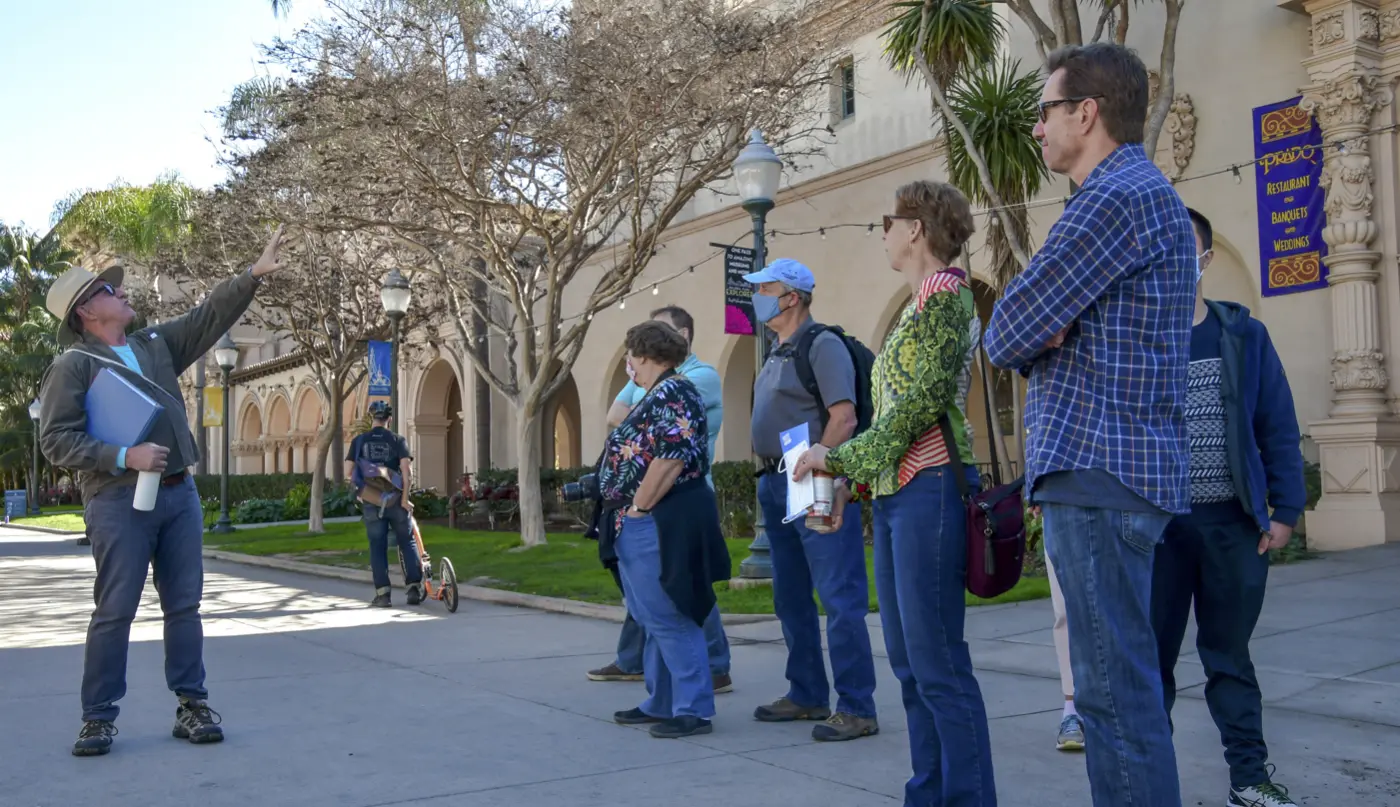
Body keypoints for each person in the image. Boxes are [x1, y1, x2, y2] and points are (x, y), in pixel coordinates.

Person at [984, 42, 1195, 807]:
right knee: (1120, 693)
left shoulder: (1111, 199)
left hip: (1101, 472)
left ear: (1086, 112)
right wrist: (1048, 324)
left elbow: (1004, 331)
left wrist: (1044, 327)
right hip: (1116, 474)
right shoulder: (1140, 196)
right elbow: (1026, 325)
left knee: (1111, 698)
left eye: (1045, 111)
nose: (1036, 128)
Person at [39, 227, 287, 757]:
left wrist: (250, 277)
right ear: (86, 313)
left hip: (178, 496)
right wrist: (123, 456)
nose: (121, 292)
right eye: (108, 290)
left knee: (184, 606)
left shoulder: (154, 345)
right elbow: (55, 440)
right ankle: (98, 718)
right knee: (115, 610)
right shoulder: (74, 366)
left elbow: (205, 319)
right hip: (117, 502)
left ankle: (192, 706)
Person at [794, 180, 996, 805]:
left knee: (937, 663)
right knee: (910, 664)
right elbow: (894, 421)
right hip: (900, 493)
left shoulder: (945, 300)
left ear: (915, 230)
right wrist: (851, 484)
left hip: (930, 489)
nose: (882, 231)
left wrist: (838, 456)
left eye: (889, 221)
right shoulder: (917, 304)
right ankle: (928, 792)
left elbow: (917, 410)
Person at [1151, 209, 1305, 807]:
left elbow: (1278, 423)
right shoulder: (1139, 340)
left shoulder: (1242, 335)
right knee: (1150, 663)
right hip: (1157, 529)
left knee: (1230, 659)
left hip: (1230, 527)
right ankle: (1152, 779)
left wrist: (1286, 509)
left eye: (1183, 247)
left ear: (1205, 259)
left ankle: (1250, 778)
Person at [743, 258, 878, 743]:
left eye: (766, 288)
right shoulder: (778, 351)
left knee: (839, 596)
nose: (757, 296)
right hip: (777, 479)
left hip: (813, 477)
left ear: (792, 296)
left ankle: (858, 706)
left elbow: (843, 418)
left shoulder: (820, 345)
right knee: (792, 596)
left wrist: (830, 471)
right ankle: (806, 693)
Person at [588, 306, 732, 694]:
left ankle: (693, 701)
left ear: (645, 355)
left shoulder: (677, 389)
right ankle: (661, 699)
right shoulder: (661, 391)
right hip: (646, 513)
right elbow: (618, 417)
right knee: (653, 611)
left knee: (673, 607)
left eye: (631, 355)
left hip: (662, 512)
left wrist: (638, 510)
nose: (627, 363)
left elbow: (669, 456)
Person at [346, 401, 423, 608]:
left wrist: (362, 494)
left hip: (373, 502)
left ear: (372, 417)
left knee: (377, 547)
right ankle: (414, 589)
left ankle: (383, 595)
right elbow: (407, 474)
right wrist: (406, 499)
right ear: (389, 419)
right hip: (397, 500)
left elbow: (349, 473)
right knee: (407, 541)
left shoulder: (359, 441)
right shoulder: (398, 440)